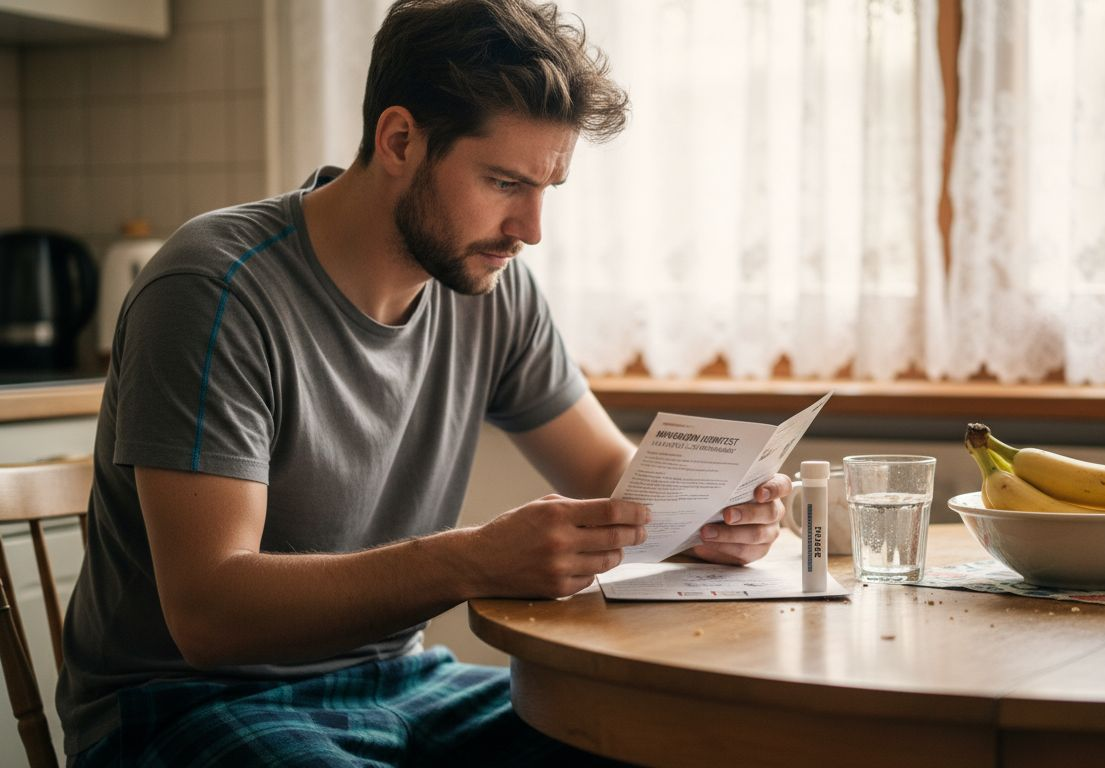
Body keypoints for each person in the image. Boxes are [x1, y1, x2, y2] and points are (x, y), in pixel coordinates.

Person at [54, 0, 789, 764]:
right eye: (504, 181)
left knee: (662, 741)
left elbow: (613, 475)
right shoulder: (213, 290)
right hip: (185, 706)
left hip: (399, 683)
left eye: (547, 188)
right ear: (400, 139)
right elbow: (208, 615)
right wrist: (471, 560)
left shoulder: (491, 288)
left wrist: (711, 518)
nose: (531, 229)